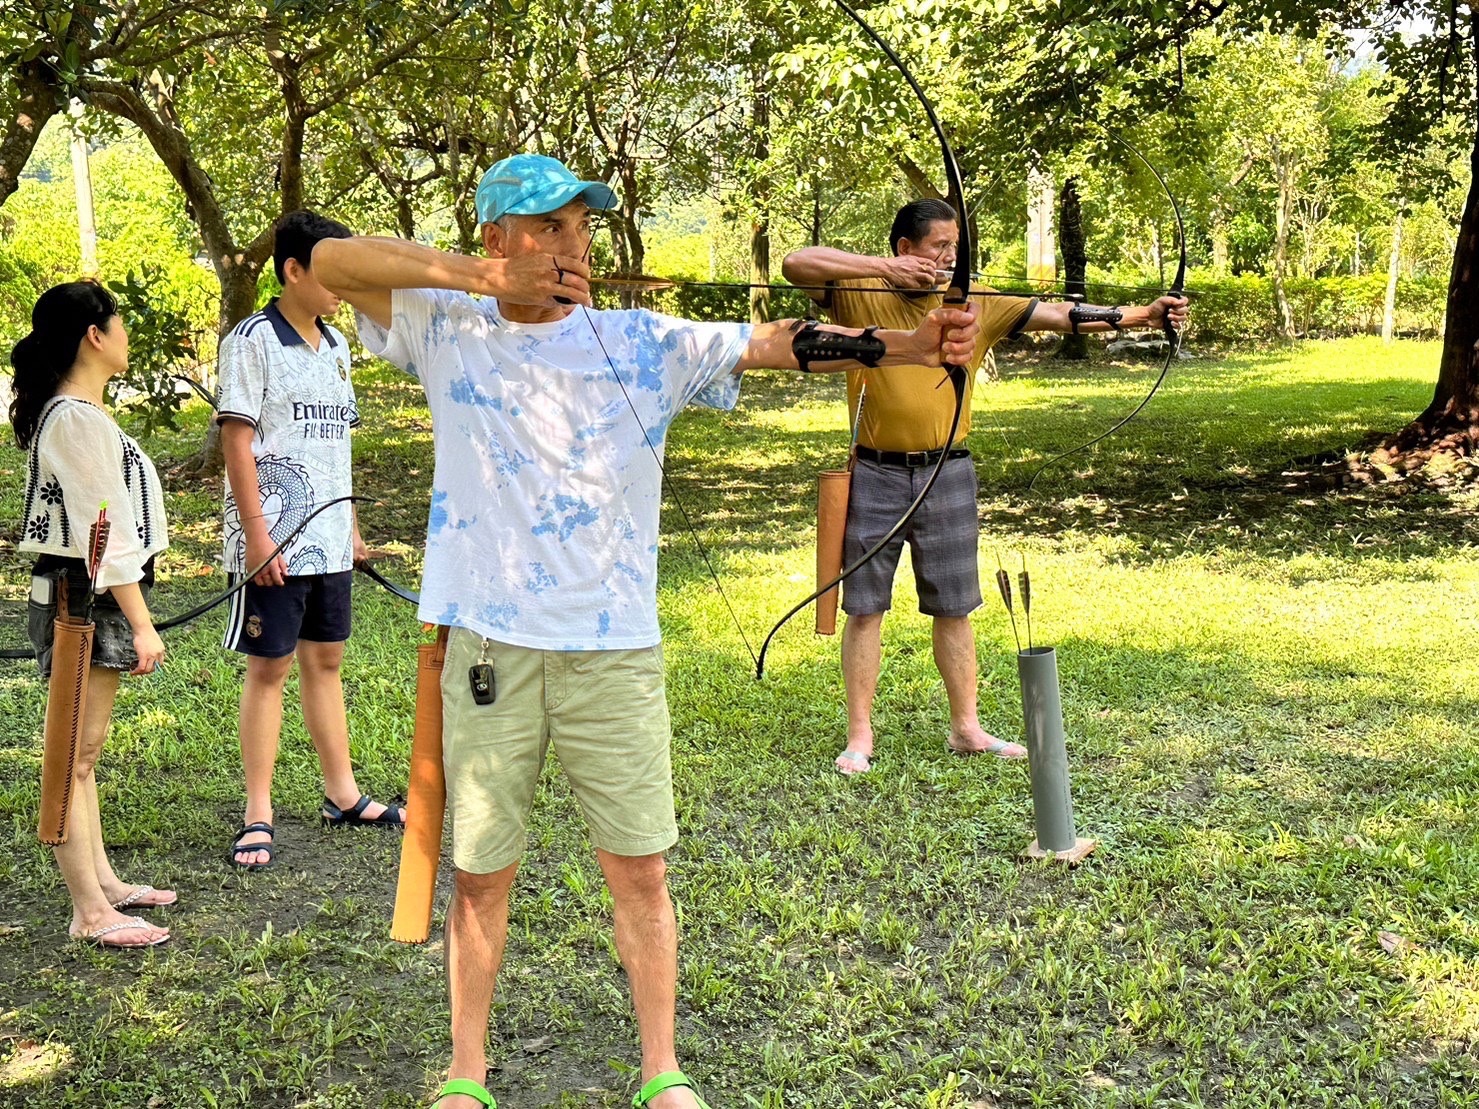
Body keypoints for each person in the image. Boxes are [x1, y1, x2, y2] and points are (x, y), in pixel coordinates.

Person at [312, 153, 981, 1109]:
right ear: (496, 234)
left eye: (579, 224)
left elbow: (773, 341)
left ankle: (661, 1071)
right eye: (545, 225)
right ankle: (465, 1076)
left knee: (640, 870)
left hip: (614, 648)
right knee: (478, 875)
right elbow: (332, 260)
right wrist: (480, 280)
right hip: (492, 649)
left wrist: (912, 350)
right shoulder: (443, 325)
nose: (569, 242)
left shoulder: (640, 341)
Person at [782, 199, 1189, 776]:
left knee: (955, 606)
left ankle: (966, 728)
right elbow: (797, 263)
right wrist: (884, 270)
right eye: (938, 247)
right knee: (866, 607)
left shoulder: (975, 301)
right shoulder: (857, 288)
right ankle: (860, 736)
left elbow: (1063, 316)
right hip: (873, 470)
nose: (950, 258)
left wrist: (1145, 315)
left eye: (956, 248)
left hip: (948, 468)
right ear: (905, 247)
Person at [217, 210, 404, 871]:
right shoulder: (251, 341)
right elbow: (236, 441)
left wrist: (349, 526)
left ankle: (342, 794)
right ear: (293, 269)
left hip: (328, 540)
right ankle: (258, 813)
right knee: (269, 670)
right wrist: (259, 535)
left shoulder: (337, 346)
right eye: (333, 271)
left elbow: (339, 444)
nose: (344, 285)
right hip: (274, 543)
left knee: (327, 663)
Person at [11, 280, 173, 948]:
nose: (126, 336)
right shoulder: (74, 418)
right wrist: (140, 621)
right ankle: (89, 910)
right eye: (120, 324)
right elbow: (100, 532)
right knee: (70, 755)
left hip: (86, 597)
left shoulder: (76, 412)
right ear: (94, 336)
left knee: (83, 753)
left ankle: (103, 883)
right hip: (83, 602)